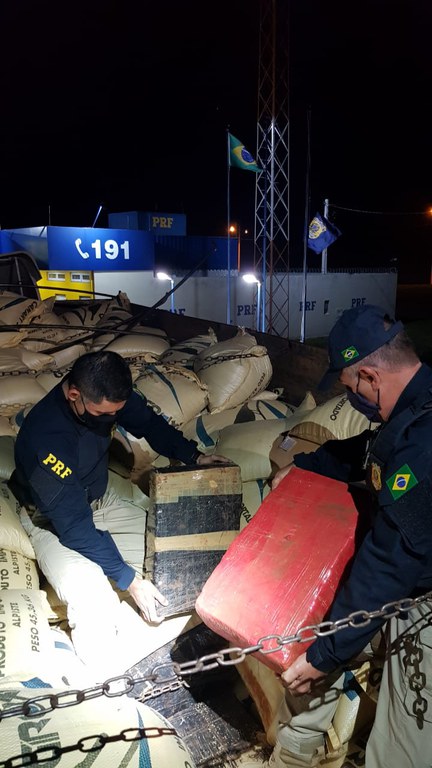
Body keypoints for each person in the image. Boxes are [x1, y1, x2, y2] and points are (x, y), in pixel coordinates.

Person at [243, 304, 432, 768]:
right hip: (404, 581)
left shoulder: (424, 445)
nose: (352, 399)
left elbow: (387, 564)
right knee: (325, 644)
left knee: (403, 740)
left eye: (350, 389)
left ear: (370, 376)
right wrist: (306, 467)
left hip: (421, 602)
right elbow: (369, 452)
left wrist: (324, 654)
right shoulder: (415, 408)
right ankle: (294, 755)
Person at [10, 350, 227, 624]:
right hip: (51, 521)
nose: (111, 417)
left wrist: (194, 456)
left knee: (179, 556)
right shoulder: (47, 438)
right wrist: (129, 580)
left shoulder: (107, 397)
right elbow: (73, 527)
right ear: (74, 395)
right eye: (103, 413)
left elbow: (150, 424)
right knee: (94, 602)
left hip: (99, 500)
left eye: (116, 411)